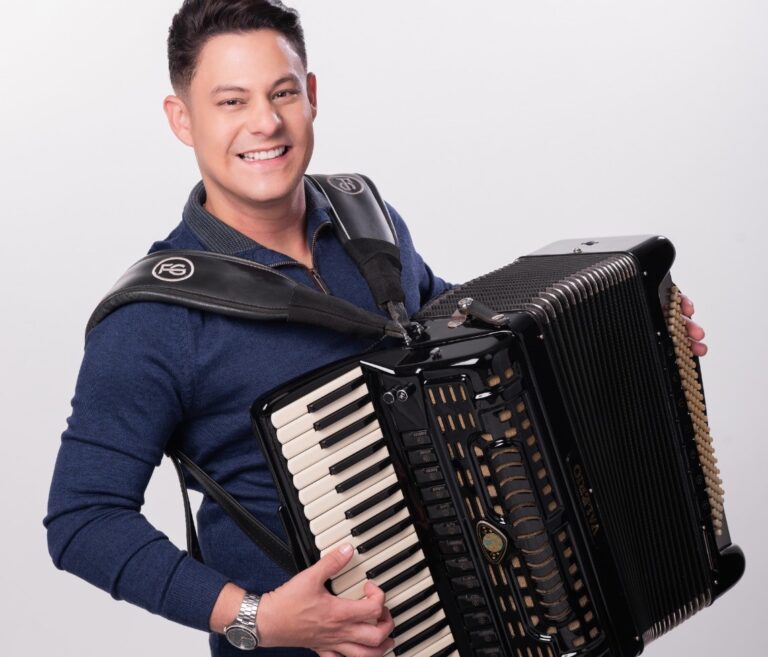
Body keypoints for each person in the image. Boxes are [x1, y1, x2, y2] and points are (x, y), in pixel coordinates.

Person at [44, 1, 708, 656]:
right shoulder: (154, 317)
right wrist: (257, 618)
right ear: (182, 119)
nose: (265, 122)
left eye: (282, 93)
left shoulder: (367, 221)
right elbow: (83, 519)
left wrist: (638, 340)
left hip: (474, 619)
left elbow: (462, 343)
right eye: (231, 102)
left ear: (311, 95)